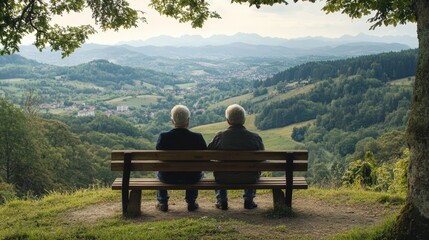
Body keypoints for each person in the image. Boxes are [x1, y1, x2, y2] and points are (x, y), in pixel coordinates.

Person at [208, 104, 265, 210]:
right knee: (254, 169)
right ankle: (249, 199)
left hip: (223, 177)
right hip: (249, 178)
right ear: (243, 120)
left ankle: (222, 200)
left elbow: (208, 153)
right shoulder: (255, 137)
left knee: (220, 168)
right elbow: (262, 158)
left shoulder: (220, 137)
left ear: (228, 121)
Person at [156, 105, 207, 212]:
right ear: (188, 121)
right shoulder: (197, 137)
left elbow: (159, 156)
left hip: (168, 177)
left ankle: (162, 201)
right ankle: (191, 201)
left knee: (158, 172)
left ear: (172, 121)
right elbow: (205, 158)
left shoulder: (164, 137)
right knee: (197, 171)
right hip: (191, 177)